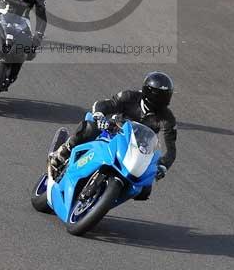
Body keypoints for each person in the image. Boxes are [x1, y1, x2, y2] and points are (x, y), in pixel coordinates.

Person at [49, 72, 177, 197]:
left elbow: (169, 148)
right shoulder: (130, 97)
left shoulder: (167, 118)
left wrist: (162, 165)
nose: (162, 100)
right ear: (148, 92)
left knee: (144, 190)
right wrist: (99, 115)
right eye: (159, 95)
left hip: (136, 149)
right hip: (111, 131)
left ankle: (108, 195)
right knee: (89, 128)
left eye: (166, 96)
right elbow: (107, 104)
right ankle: (63, 152)